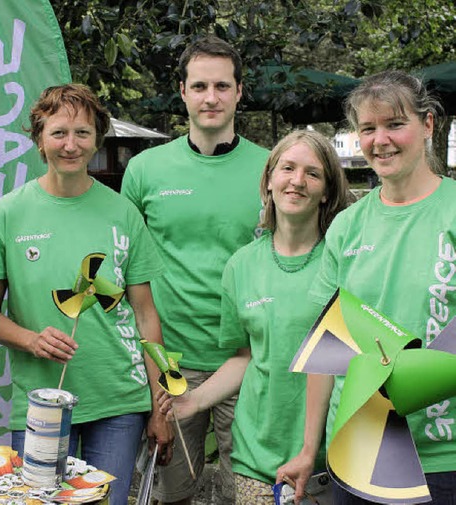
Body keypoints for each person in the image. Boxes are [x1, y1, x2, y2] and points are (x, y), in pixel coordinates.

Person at [0, 83, 173, 505]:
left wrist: (160, 404)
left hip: (119, 400)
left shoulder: (122, 212)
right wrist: (32, 340)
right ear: (39, 139)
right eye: (59, 133)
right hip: (40, 403)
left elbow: (146, 317)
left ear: (97, 139)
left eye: (83, 133)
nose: (71, 145)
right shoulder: (7, 215)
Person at [278, 70, 456, 504]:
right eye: (368, 128)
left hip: (443, 458)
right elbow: (329, 345)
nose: (381, 140)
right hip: (356, 450)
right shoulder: (347, 227)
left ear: (428, 125)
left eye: (395, 124)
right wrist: (308, 448)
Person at [157, 130, 349, 503]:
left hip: (329, 459)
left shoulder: (342, 259)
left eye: (312, 173)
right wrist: (194, 401)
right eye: (287, 168)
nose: (297, 181)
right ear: (269, 181)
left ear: (326, 190)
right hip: (255, 455)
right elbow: (246, 357)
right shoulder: (241, 265)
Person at [121, 35, 269, 504]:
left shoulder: (273, 168)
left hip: (249, 359)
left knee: (246, 494)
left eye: (222, 86)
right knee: (171, 495)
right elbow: (125, 269)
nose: (211, 97)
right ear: (182, 91)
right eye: (200, 85)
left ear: (240, 92)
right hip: (170, 364)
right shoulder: (145, 170)